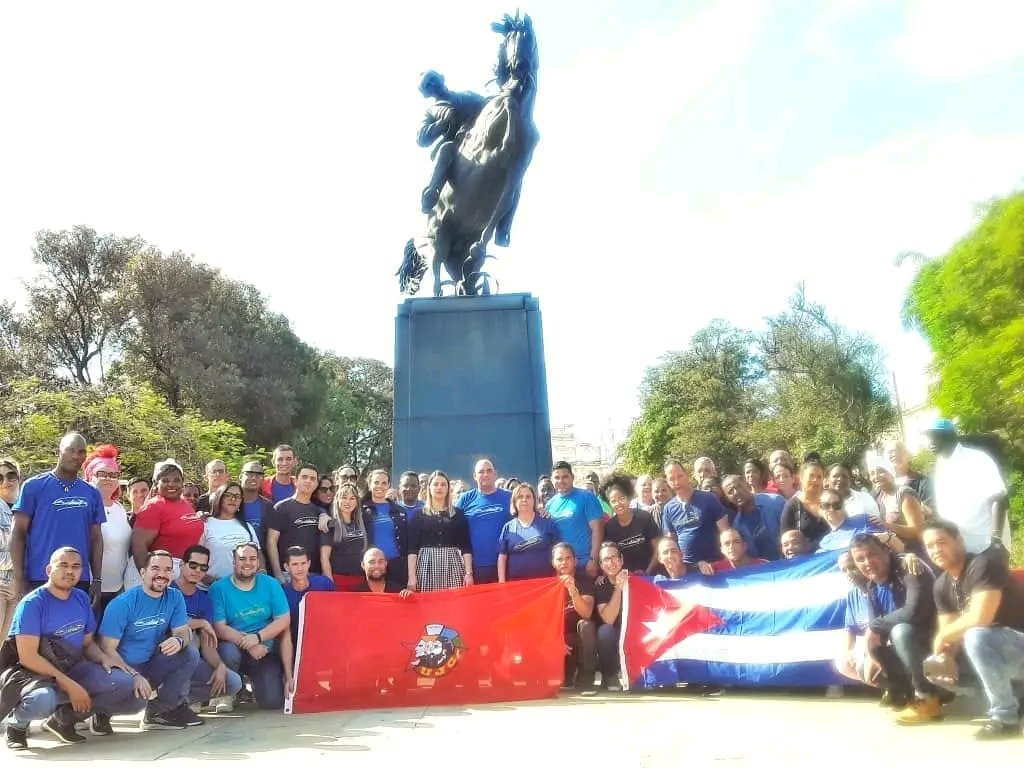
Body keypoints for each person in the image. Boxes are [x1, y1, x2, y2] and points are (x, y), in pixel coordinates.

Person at [2, 547, 137, 749]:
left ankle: (63, 720)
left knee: (124, 684)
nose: (70, 571)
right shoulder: (32, 604)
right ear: (49, 569)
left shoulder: (81, 598)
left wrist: (103, 658)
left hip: (73, 665)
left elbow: (88, 644)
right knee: (42, 700)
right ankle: (17, 725)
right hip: (34, 672)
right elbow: (28, 656)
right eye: (63, 565)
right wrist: (69, 684)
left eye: (75, 567)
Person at [922, 519, 1024, 739]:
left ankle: (1005, 718)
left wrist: (942, 637)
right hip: (999, 656)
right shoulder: (941, 585)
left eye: (942, 542)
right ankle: (1016, 696)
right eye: (930, 546)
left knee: (977, 636)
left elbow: (981, 616)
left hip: (1018, 644)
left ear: (959, 541)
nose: (936, 550)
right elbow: (949, 634)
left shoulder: (983, 565)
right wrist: (945, 656)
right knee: (935, 669)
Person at [837, 534, 942, 724]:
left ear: (886, 551)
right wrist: (873, 655)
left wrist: (873, 628)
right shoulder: (869, 585)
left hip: (939, 642)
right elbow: (876, 630)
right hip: (911, 648)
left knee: (900, 631)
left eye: (872, 555)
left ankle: (927, 697)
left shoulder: (909, 567)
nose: (867, 562)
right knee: (869, 656)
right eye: (860, 559)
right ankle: (902, 692)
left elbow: (913, 612)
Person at [99, 550, 201, 729]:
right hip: (124, 669)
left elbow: (183, 632)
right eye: (155, 568)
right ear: (142, 573)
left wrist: (179, 641)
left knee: (189, 653)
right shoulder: (123, 604)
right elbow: (107, 650)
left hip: (152, 663)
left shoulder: (175, 597)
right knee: (126, 692)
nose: (162, 574)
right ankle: (100, 711)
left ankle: (159, 711)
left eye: (167, 569)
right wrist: (134, 675)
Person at [10, 433, 105, 606]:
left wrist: (97, 580)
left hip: (77, 578)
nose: (76, 456)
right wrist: (20, 578)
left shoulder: (92, 493)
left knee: (74, 631)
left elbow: (96, 538)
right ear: (58, 452)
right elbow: (17, 533)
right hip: (39, 577)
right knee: (35, 632)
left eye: (81, 452)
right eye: (70, 450)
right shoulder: (34, 486)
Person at [210, 543, 294, 710]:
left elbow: (284, 620)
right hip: (234, 648)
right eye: (242, 559)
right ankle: (228, 692)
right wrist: (248, 643)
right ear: (233, 562)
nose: (247, 563)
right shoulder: (218, 589)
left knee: (272, 702)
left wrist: (258, 638)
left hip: (264, 649)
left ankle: (255, 686)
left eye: (252, 559)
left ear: (258, 562)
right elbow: (219, 628)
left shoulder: (271, 584)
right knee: (228, 651)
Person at [170, 545, 243, 714]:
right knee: (189, 638)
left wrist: (220, 665)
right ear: (182, 564)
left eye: (203, 568)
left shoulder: (204, 600)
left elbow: (208, 641)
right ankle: (173, 702)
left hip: (191, 658)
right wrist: (200, 623)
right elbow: (170, 625)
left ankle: (184, 700)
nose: (197, 571)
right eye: (193, 565)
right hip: (164, 655)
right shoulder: (168, 591)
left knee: (233, 682)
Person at [927, 418, 1010, 554]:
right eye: (929, 438)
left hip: (986, 547)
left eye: (935, 437)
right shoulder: (941, 465)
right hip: (960, 549)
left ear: (950, 436)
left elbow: (998, 499)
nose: (930, 443)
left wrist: (996, 541)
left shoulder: (976, 459)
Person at [131, 460, 205, 580]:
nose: (171, 484)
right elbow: (139, 544)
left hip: (181, 572)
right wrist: (148, 577)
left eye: (176, 480)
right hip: (157, 573)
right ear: (156, 484)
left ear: (182, 483)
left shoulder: (187, 504)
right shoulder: (153, 506)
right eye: (165, 480)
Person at [84, 445, 132, 614]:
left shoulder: (120, 509)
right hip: (89, 588)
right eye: (102, 473)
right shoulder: (85, 507)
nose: (108, 478)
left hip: (117, 590)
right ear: (90, 477)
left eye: (113, 474)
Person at [407, 471, 472, 592]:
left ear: (448, 488)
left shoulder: (458, 514)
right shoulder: (418, 515)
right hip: (427, 565)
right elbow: (412, 549)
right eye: (435, 484)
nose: (439, 487)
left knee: (453, 605)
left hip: (453, 565)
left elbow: (466, 546)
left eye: (443, 484)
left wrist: (469, 573)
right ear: (429, 488)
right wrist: (412, 576)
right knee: (428, 606)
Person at [661, 460, 729, 566]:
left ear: (687, 475)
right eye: (672, 479)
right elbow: (671, 541)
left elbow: (725, 532)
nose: (677, 482)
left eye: (680, 476)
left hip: (715, 563)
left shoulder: (709, 498)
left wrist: (727, 561)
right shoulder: (668, 508)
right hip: (688, 568)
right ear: (668, 482)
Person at [456, 459, 512, 584]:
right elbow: (452, 523)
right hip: (475, 567)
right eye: (481, 472)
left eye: (489, 471)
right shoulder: (465, 499)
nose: (485, 474)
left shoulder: (510, 497)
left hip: (505, 564)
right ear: (475, 476)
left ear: (495, 474)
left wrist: (541, 511)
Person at [546, 461, 605, 577]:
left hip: (585, 564)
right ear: (552, 480)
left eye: (565, 477)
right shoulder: (549, 504)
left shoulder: (587, 497)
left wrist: (593, 560)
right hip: (563, 568)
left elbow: (598, 529)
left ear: (572, 477)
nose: (561, 481)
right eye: (557, 477)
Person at [552, 542, 597, 694]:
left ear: (575, 561)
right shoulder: (548, 585)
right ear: (553, 562)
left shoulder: (584, 580)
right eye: (559, 559)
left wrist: (573, 591)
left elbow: (587, 613)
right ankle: (567, 671)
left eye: (568, 558)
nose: (564, 562)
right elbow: (544, 621)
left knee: (587, 625)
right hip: (561, 641)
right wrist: (556, 641)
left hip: (581, 639)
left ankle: (587, 675)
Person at [265, 463, 323, 581]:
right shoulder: (281, 508)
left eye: (312, 479)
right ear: (295, 481)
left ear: (316, 484)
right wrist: (278, 574)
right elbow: (271, 542)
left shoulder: (317, 511)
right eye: (304, 477)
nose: (308, 481)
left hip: (313, 575)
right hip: (288, 575)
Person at [497, 483, 559, 582]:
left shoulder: (547, 523)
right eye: (520, 497)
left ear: (534, 500)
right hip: (516, 586)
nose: (524, 500)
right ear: (514, 501)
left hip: (545, 584)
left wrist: (558, 579)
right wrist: (502, 583)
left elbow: (558, 553)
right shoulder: (508, 527)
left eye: (528, 496)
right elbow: (502, 557)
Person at [598, 474, 660, 574]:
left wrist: (647, 572)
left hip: (651, 574)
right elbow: (609, 557)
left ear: (628, 497)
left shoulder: (644, 517)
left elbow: (658, 548)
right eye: (613, 501)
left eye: (621, 498)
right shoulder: (610, 527)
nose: (618, 504)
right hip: (625, 578)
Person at [201, 482, 261, 582]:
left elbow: (258, 553)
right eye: (228, 495)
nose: (233, 499)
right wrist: (213, 582)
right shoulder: (205, 524)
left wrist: (261, 572)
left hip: (242, 588)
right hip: (211, 588)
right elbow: (195, 558)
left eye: (237, 496)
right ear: (219, 497)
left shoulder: (247, 527)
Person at [866, 453, 926, 551]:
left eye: (881, 471)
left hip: (912, 553)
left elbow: (917, 531)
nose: (876, 476)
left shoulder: (904, 494)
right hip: (891, 553)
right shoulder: (877, 496)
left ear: (891, 472)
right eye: (872, 473)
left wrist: (886, 525)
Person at [361, 469, 409, 585]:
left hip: (396, 564)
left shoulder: (399, 511)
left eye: (384, 483)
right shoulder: (360, 509)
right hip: (371, 566)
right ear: (370, 484)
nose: (380, 486)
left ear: (388, 485)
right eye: (376, 482)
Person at [721, 475, 784, 561]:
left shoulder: (775, 502)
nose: (736, 492)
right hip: (765, 570)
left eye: (738, 487)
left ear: (747, 485)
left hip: (789, 564)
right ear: (728, 499)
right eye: (730, 492)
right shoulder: (737, 525)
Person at [593, 541, 628, 691]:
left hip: (634, 632)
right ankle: (610, 675)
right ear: (601, 565)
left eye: (614, 557)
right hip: (614, 635)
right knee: (604, 631)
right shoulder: (599, 586)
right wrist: (619, 588)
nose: (611, 562)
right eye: (606, 559)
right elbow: (608, 619)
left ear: (621, 559)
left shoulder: (637, 579)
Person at [280, 546, 334, 643]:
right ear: (287, 567)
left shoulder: (324, 583)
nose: (300, 568)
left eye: (303, 563)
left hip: (327, 636)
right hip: (296, 641)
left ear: (309, 564)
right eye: (295, 564)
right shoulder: (282, 593)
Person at [320, 482, 368, 590]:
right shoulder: (330, 525)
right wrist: (329, 582)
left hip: (360, 580)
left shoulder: (362, 524)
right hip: (339, 580)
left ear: (357, 502)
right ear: (337, 500)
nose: (348, 502)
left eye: (352, 498)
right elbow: (324, 558)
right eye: (344, 497)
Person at [817, 489, 895, 553]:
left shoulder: (865, 520)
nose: (831, 509)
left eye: (836, 505)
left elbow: (897, 547)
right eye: (826, 506)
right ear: (820, 509)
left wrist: (888, 538)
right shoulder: (825, 543)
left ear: (843, 506)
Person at [781, 461, 829, 548]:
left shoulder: (830, 502)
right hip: (806, 559)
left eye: (819, 477)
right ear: (801, 478)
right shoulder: (792, 506)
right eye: (811, 476)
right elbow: (786, 541)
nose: (815, 480)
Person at [1, 457, 22, 638]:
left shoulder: (24, 507)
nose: (6, 482)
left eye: (11, 476)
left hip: (17, 586)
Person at [883, 440, 935, 512]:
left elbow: (931, 512)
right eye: (890, 452)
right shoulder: (880, 486)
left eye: (899, 450)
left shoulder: (923, 482)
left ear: (909, 456)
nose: (894, 454)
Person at [699, 528, 768, 574]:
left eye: (736, 542)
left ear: (745, 546)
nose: (731, 547)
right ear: (722, 550)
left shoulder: (764, 564)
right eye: (727, 543)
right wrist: (700, 564)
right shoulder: (713, 569)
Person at [239, 460, 273, 550]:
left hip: (259, 558)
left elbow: (271, 540)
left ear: (263, 479)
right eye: (249, 474)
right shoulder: (230, 503)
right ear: (241, 476)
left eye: (258, 475)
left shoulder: (268, 506)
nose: (254, 478)